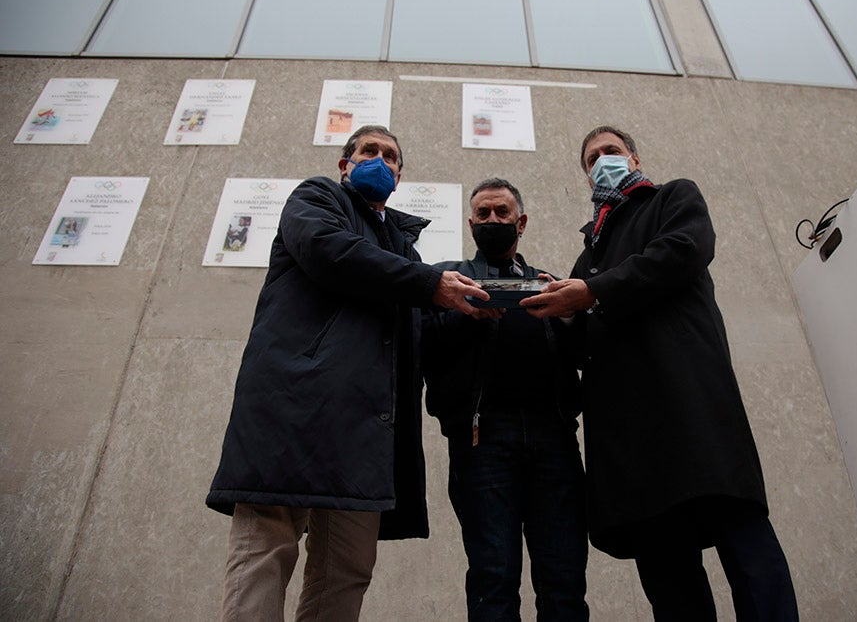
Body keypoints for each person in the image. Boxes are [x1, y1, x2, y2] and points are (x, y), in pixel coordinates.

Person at [206, 125, 490, 621]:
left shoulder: (406, 252)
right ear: (345, 165)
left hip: (364, 431)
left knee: (347, 571)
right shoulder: (316, 198)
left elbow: (420, 326)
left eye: (390, 156)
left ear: (399, 177)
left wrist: (486, 305)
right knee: (264, 556)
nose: (379, 159)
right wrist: (431, 285)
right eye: (368, 151)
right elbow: (329, 251)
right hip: (292, 413)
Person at [521, 127, 798, 620]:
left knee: (746, 548)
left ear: (633, 156)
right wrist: (565, 316)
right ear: (586, 176)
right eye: (592, 159)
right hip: (630, 440)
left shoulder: (674, 198)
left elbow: (682, 252)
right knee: (669, 579)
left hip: (689, 405)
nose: (602, 161)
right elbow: (585, 347)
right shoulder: (587, 256)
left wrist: (590, 292)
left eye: (611, 151)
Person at [422, 178, 589, 621]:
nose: (492, 220)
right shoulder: (447, 280)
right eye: (483, 215)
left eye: (502, 213)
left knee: (565, 580)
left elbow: (583, 355)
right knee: (493, 578)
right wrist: (466, 313)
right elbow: (423, 345)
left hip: (555, 439)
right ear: (471, 224)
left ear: (522, 222)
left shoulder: (550, 285)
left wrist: (571, 314)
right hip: (482, 443)